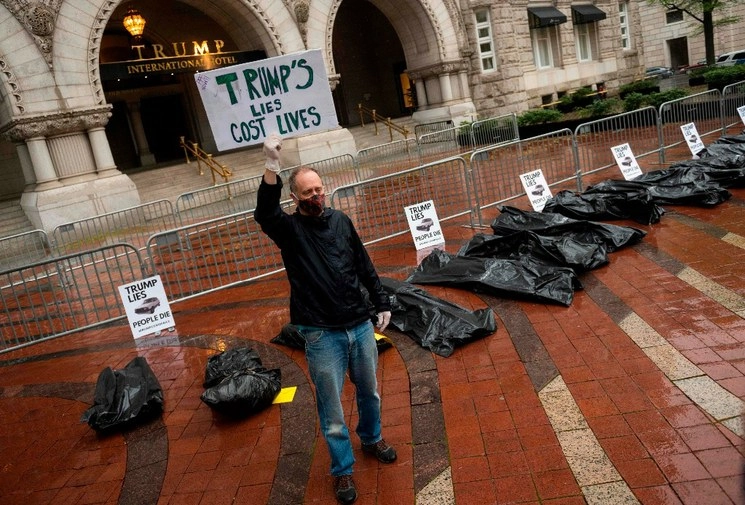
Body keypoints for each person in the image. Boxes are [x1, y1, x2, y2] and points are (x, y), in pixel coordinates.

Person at [254, 133, 396, 504]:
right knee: (331, 410)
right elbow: (264, 215)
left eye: (319, 189)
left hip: (359, 325)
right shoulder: (290, 230)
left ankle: (372, 438)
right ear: (295, 198)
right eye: (308, 193)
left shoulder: (341, 221)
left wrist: (381, 302)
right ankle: (343, 470)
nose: (316, 196)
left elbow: (363, 264)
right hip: (320, 334)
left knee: (370, 392)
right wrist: (272, 166)